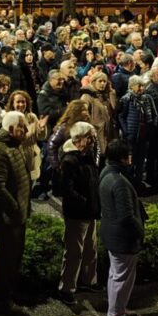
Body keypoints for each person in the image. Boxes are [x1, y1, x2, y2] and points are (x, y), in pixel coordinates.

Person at [0, 111, 32, 316]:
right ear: (12, 129)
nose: (26, 130)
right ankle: (2, 299)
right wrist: (14, 206)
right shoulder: (0, 150)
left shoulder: (14, 144)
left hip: (18, 213)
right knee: (7, 258)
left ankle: (11, 293)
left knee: (15, 257)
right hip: (8, 216)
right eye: (23, 126)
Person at [98, 139, 144, 316]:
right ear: (124, 158)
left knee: (115, 275)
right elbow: (126, 216)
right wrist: (140, 231)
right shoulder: (119, 182)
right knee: (122, 278)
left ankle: (116, 309)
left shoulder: (106, 173)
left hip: (111, 233)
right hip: (123, 237)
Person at [56, 121, 101, 304]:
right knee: (74, 252)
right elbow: (66, 189)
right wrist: (85, 202)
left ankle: (88, 281)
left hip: (90, 210)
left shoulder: (87, 156)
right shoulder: (70, 161)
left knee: (91, 248)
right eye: (90, 137)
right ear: (79, 139)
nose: (93, 141)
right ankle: (66, 288)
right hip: (77, 213)